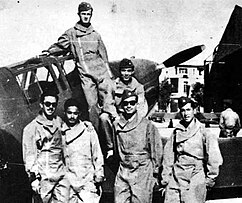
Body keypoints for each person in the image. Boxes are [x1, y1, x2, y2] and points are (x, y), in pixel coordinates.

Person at [43, 2, 115, 129]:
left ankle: (114, 132)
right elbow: (60, 45)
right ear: (79, 14)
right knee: (92, 106)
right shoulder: (72, 33)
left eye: (88, 14)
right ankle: (97, 134)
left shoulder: (95, 35)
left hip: (100, 71)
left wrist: (109, 75)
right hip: (86, 74)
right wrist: (50, 50)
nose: (86, 16)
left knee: (109, 103)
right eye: (83, 14)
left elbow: (104, 56)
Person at [161, 96, 223, 203]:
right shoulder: (176, 132)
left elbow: (214, 157)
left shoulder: (204, 132)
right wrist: (165, 180)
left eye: (189, 110)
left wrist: (210, 179)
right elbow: (168, 157)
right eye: (183, 110)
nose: (186, 114)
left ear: (194, 110)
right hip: (177, 174)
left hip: (195, 174)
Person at [113, 89, 163, 203]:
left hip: (142, 170)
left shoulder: (147, 125)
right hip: (123, 170)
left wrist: (155, 172)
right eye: (125, 103)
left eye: (132, 103)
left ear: (136, 104)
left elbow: (156, 151)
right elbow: (116, 148)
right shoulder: (116, 125)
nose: (129, 106)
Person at [22, 91, 68, 203]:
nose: (51, 107)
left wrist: (86, 124)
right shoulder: (32, 128)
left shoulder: (59, 122)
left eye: (54, 104)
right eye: (47, 104)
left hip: (60, 174)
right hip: (44, 177)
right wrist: (33, 179)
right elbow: (30, 156)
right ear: (41, 105)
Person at [99, 58, 148, 159]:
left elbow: (141, 104)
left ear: (132, 72)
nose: (126, 73)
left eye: (129, 70)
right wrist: (115, 116)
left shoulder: (138, 86)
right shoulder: (113, 84)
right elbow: (108, 103)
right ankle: (110, 148)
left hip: (131, 114)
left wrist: (135, 118)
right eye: (123, 70)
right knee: (103, 117)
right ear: (120, 71)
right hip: (117, 114)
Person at [61, 98, 105, 203]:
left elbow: (97, 153)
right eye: (69, 113)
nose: (72, 116)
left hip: (87, 180)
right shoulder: (61, 132)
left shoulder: (88, 131)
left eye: (75, 113)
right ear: (65, 113)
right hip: (70, 182)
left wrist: (99, 173)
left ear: (79, 113)